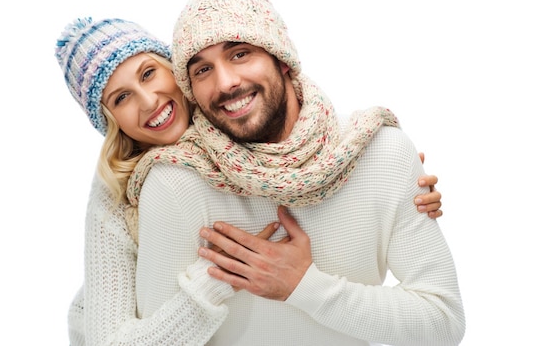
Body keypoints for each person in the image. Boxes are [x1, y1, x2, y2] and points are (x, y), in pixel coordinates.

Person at [127, 0, 465, 345]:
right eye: (202, 70)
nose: (225, 83)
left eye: (240, 53)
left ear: (282, 60)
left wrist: (303, 287)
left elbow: (443, 323)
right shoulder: (175, 182)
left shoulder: (380, 153)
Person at [54, 17, 444, 344]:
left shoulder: (243, 120)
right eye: (121, 98)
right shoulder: (123, 190)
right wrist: (219, 276)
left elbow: (307, 134)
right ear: (110, 122)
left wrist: (388, 167)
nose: (149, 100)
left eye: (149, 73)